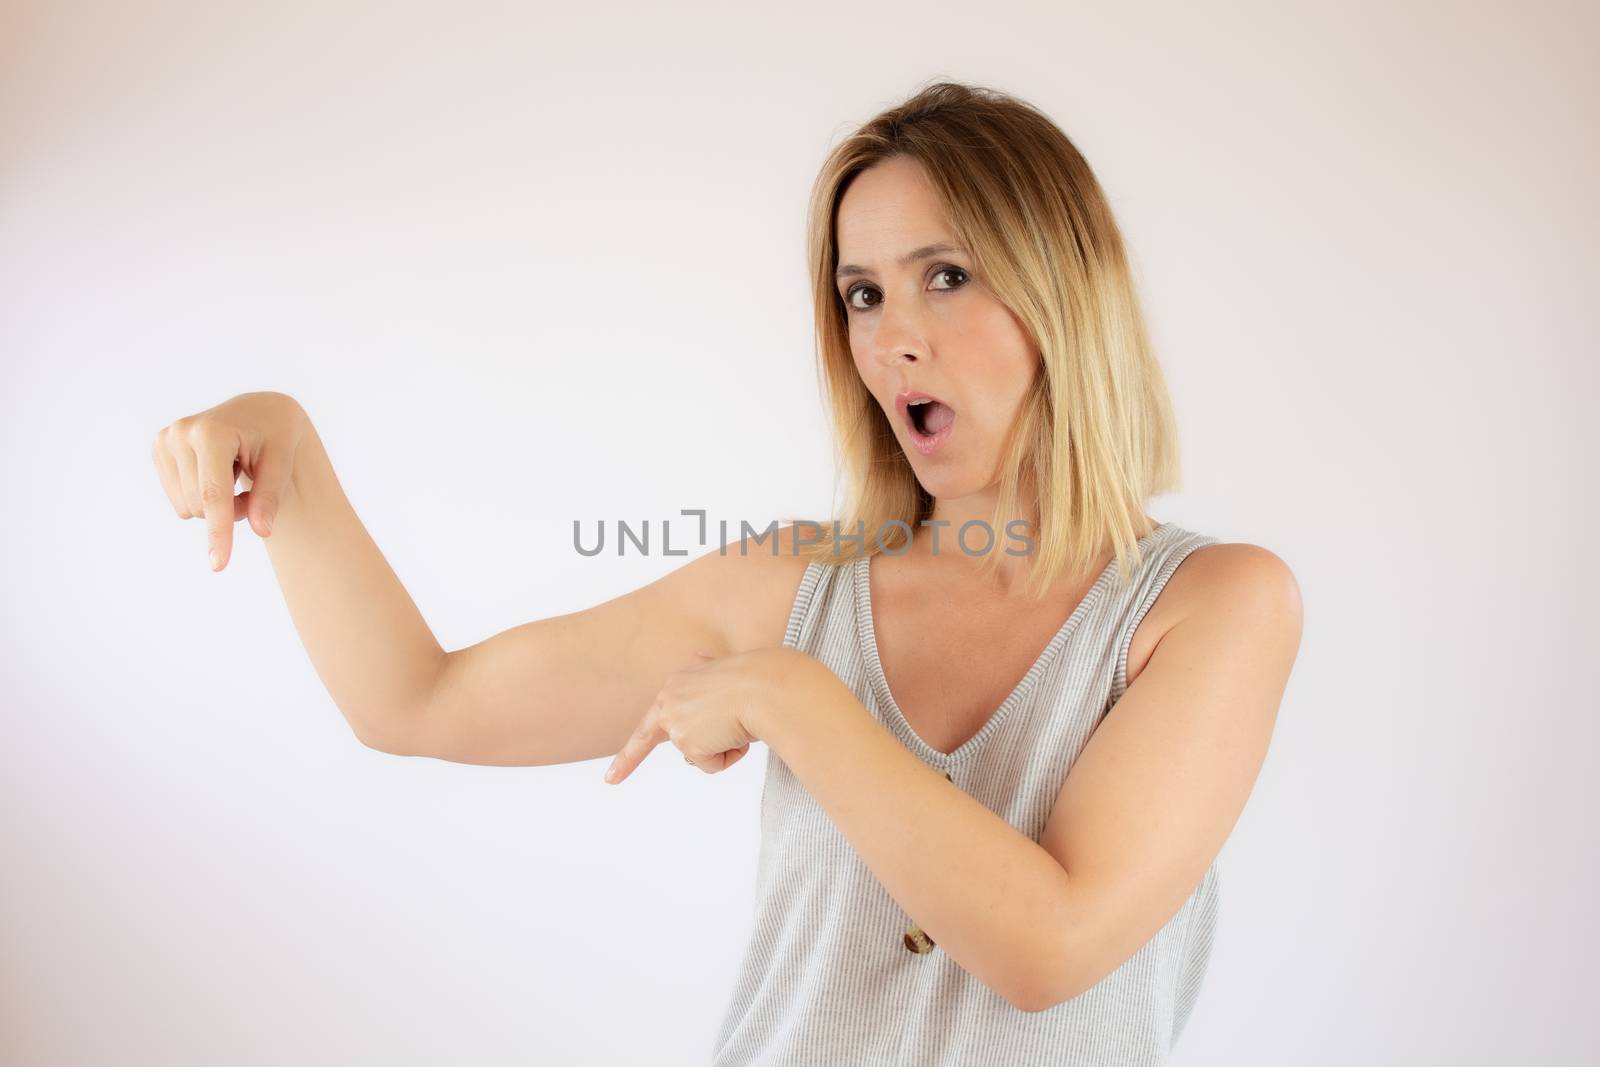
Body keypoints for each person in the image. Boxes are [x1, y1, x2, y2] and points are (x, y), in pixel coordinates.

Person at [149, 80, 1301, 1064]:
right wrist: (289, 467)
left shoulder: (1211, 605)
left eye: (944, 274)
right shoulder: (788, 588)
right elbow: (416, 699)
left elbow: (1049, 947)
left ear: (1064, 287)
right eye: (862, 294)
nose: (891, 336)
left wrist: (793, 700)